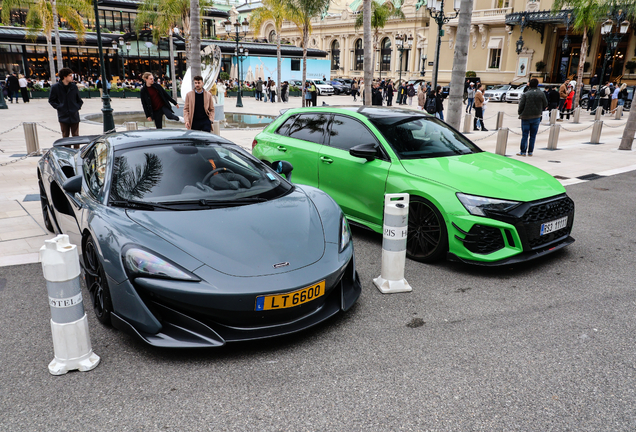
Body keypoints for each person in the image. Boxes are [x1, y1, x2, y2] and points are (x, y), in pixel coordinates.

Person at [48, 68, 84, 141]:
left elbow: (79, 100)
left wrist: (76, 107)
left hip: (74, 115)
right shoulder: (55, 87)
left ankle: (77, 151)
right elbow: (51, 100)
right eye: (70, 75)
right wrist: (60, 107)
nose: (72, 77)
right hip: (63, 115)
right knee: (65, 136)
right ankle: (66, 152)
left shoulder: (74, 87)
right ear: (64, 77)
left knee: (76, 136)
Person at [517, 78, 548, 157]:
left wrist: (520, 113)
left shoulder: (526, 94)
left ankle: (523, 151)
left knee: (525, 134)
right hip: (536, 116)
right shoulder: (541, 93)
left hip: (526, 116)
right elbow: (545, 103)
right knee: (533, 135)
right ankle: (530, 151)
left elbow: (521, 105)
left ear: (529, 84)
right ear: (537, 85)